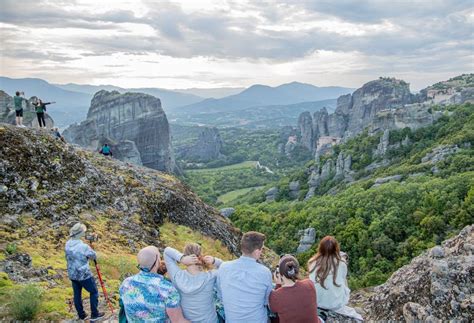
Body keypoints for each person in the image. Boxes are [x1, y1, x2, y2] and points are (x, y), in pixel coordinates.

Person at [120, 246, 189, 323]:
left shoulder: (126, 283)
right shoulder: (167, 288)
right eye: (159, 257)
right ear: (156, 261)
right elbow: (178, 321)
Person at [217, 231, 273, 322]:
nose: (261, 252)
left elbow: (220, 295)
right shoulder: (265, 272)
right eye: (261, 249)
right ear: (256, 251)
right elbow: (267, 301)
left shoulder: (223, 267)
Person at [308, 236, 363, 321]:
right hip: (335, 304)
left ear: (320, 248)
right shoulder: (341, 264)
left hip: (318, 302)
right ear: (336, 249)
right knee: (343, 281)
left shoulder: (312, 263)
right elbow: (343, 281)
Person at [164, 244, 223, 323]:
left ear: (185, 256)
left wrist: (181, 258)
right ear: (200, 256)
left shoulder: (177, 276)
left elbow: (167, 251)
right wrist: (215, 261)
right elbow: (227, 269)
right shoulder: (211, 276)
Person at [65, 223, 105, 321]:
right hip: (83, 274)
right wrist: (91, 246)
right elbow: (93, 256)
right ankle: (95, 315)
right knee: (94, 291)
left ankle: (81, 315)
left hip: (72, 273)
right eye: (83, 232)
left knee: (77, 294)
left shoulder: (67, 243)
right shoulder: (83, 246)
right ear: (80, 233)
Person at [269, 255, 321, 323]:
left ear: (280, 273)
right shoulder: (309, 283)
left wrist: (279, 284)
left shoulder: (275, 296)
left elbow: (273, 309)